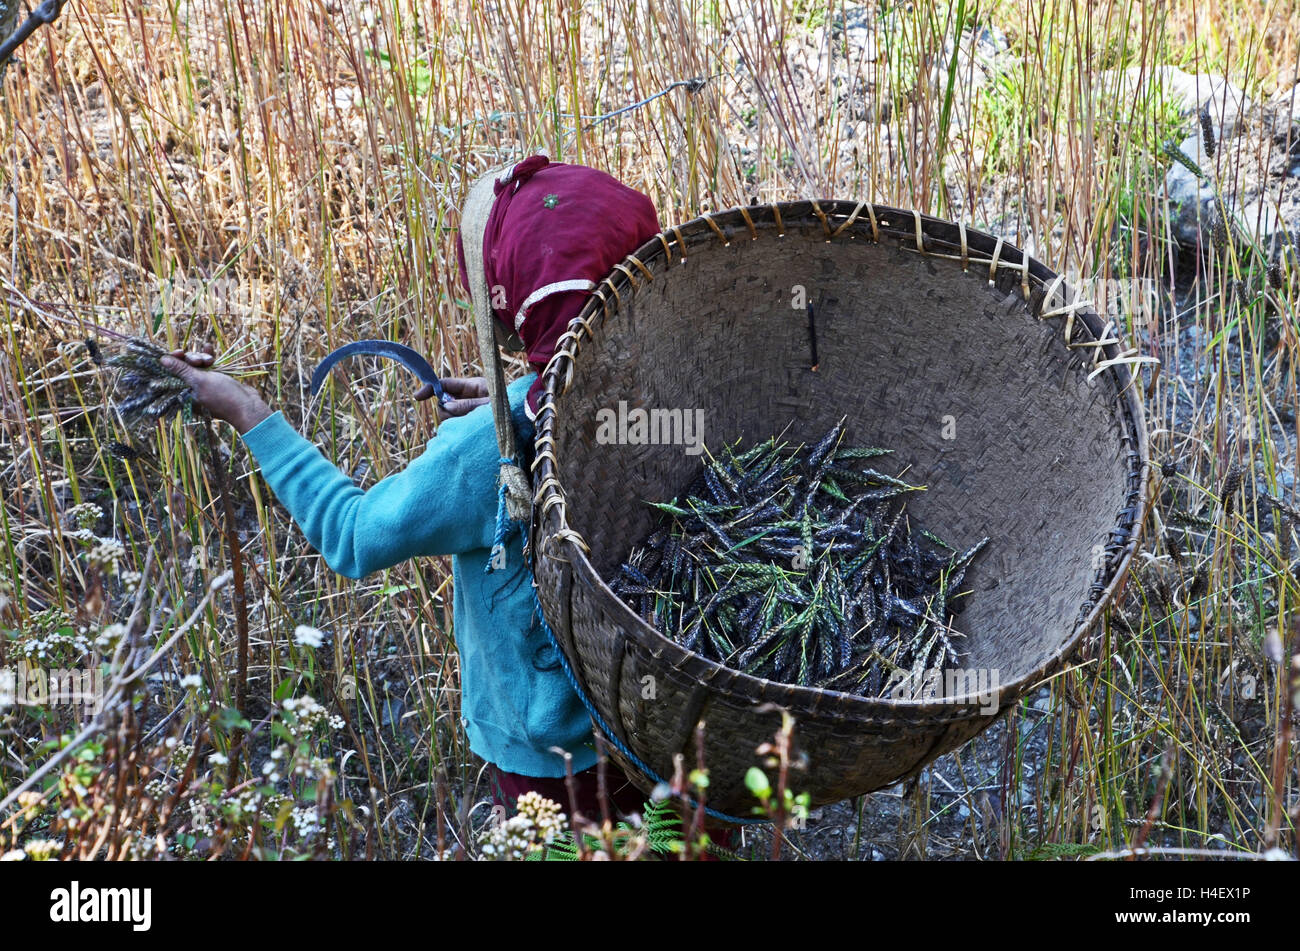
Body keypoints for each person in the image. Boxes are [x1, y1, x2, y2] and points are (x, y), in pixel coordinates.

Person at [161, 156, 667, 831]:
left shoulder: (483, 453)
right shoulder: (681, 399)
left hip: (555, 768)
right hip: (666, 737)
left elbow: (352, 534)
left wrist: (247, 411)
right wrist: (511, 396)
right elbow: (580, 400)